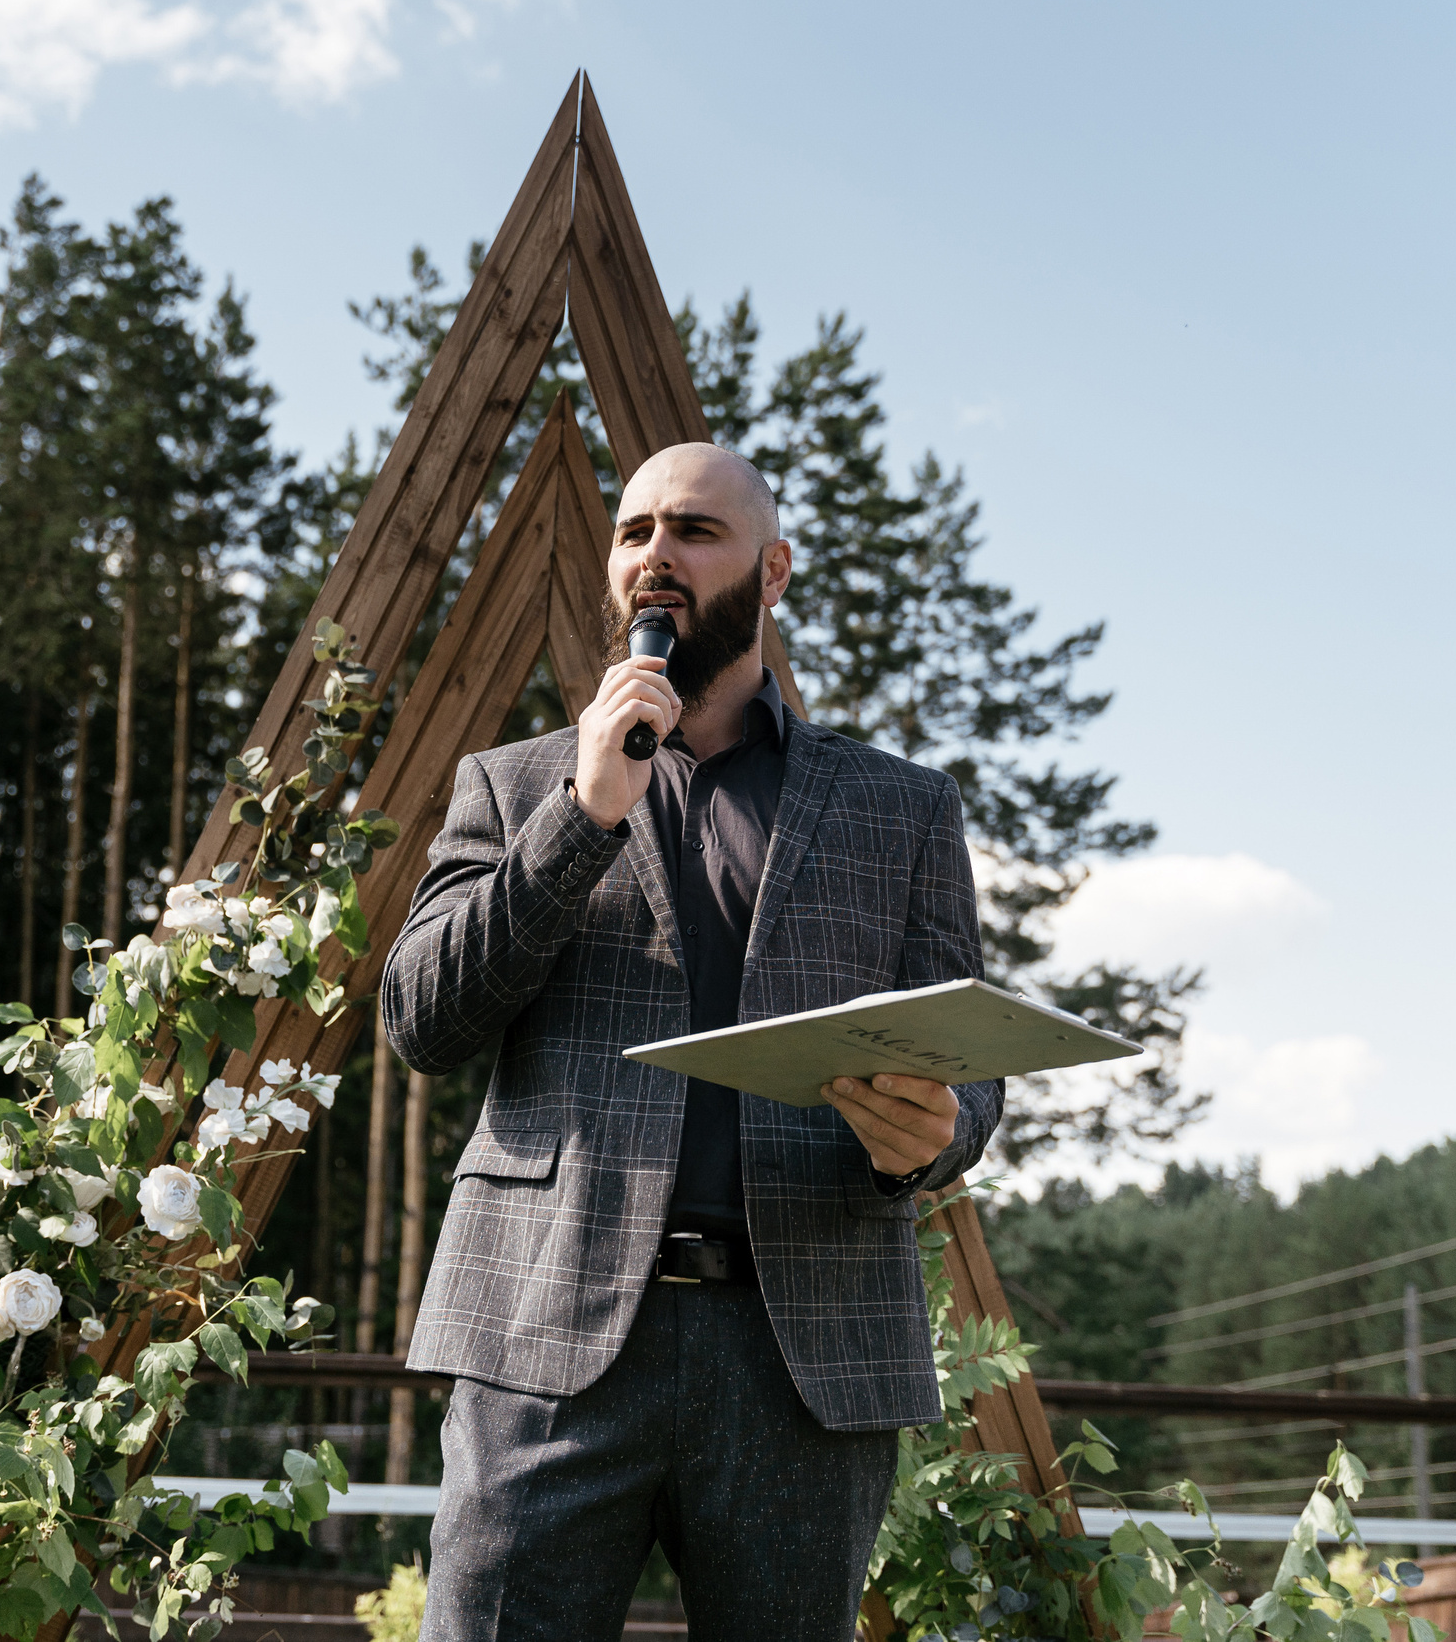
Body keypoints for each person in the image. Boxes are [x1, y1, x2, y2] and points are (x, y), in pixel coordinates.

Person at [380, 441, 1003, 1642]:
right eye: (634, 532)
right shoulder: (514, 789)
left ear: (771, 572)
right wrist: (582, 815)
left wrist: (936, 1134)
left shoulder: (902, 808)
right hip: (544, 1339)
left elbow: (959, 1067)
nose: (655, 553)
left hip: (801, 1355)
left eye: (694, 531)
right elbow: (423, 1020)